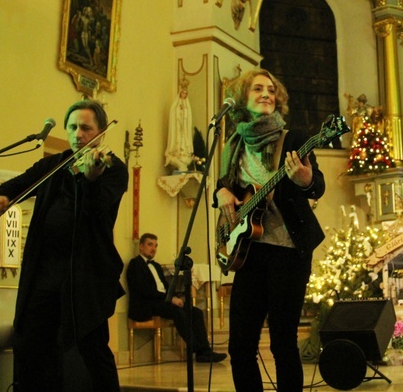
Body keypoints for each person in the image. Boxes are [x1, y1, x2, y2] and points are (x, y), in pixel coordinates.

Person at [0, 99, 128, 391]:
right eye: (73, 127)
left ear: (101, 133)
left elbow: (100, 211)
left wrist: (90, 180)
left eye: (86, 128)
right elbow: (17, 185)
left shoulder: (112, 168)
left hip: (85, 276)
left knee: (92, 349)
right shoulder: (54, 164)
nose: (78, 133)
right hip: (45, 274)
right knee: (32, 344)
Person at [214, 68, 325, 391]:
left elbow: (316, 185)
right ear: (243, 98)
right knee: (240, 347)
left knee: (282, 344)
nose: (266, 94)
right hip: (247, 253)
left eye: (271, 90)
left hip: (288, 253)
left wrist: (305, 181)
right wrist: (219, 192)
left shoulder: (294, 139)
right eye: (257, 89)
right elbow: (227, 189)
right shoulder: (233, 144)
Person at [126, 233, 226, 363]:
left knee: (195, 312)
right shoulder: (135, 265)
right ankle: (199, 350)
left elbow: (166, 288)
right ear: (140, 247)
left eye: (156, 246)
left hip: (162, 302)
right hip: (147, 304)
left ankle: (204, 351)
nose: (153, 249)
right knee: (177, 312)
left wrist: (176, 297)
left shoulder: (156, 266)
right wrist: (170, 299)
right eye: (150, 245)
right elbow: (145, 291)